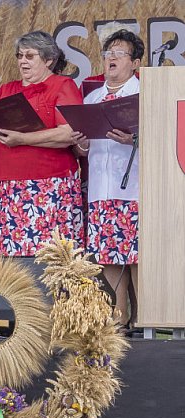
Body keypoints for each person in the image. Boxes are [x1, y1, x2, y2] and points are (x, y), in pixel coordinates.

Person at [0, 31, 83, 256]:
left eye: (30, 56)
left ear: (48, 60)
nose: (22, 61)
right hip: (9, 188)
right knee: (14, 261)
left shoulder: (62, 85)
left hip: (49, 186)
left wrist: (23, 139)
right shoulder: (7, 90)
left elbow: (68, 133)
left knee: (50, 259)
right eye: (19, 55)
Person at [71, 30, 143, 330]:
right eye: (108, 53)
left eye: (119, 53)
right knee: (109, 258)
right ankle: (118, 322)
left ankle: (150, 323)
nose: (111, 58)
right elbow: (81, 149)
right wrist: (81, 143)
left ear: (135, 63)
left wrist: (133, 139)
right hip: (101, 191)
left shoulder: (144, 96)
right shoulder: (92, 98)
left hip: (135, 190)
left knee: (139, 258)